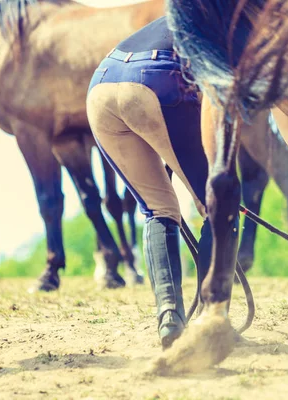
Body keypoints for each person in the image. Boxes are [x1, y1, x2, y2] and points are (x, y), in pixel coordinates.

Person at [86, 16, 213, 349]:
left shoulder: (179, 14)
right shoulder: (231, 20)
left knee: (159, 209)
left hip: (102, 84)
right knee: (218, 206)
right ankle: (213, 319)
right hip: (157, 79)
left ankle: (170, 316)